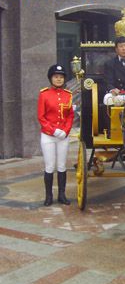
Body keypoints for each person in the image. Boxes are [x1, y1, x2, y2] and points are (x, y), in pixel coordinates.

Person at [37, 65, 74, 206]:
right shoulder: (44, 94)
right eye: (56, 77)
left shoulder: (68, 95)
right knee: (49, 166)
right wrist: (53, 131)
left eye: (61, 77)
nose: (59, 79)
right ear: (51, 78)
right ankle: (48, 196)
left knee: (62, 165)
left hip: (63, 136)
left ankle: (62, 195)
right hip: (48, 136)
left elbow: (70, 116)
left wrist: (65, 130)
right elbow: (41, 117)